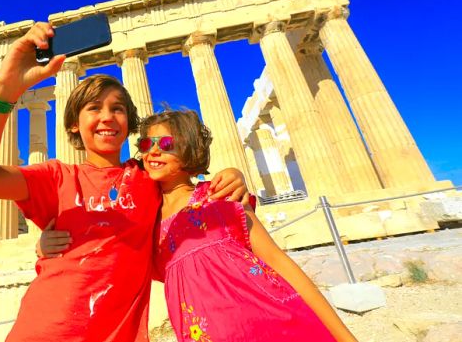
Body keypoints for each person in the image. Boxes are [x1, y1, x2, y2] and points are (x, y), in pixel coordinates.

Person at [0, 22, 248, 342]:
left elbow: (191, 183)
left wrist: (232, 173)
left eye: (117, 109)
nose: (107, 116)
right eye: (93, 108)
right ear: (72, 125)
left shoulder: (148, 176)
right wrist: (3, 91)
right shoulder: (56, 178)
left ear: (129, 122)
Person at [38, 108, 358, 342]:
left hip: (282, 326)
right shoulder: (143, 229)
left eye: (164, 145)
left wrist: (344, 336)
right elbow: (99, 257)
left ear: (188, 148)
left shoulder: (222, 200)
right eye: (146, 147)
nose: (152, 153)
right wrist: (43, 247)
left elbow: (280, 264)